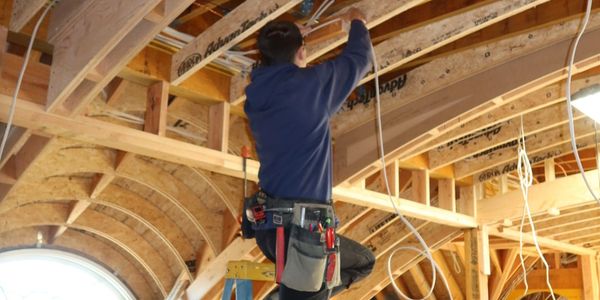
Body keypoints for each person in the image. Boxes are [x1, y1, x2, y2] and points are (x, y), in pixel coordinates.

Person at [244, 8, 375, 300]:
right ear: (301, 53)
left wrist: (291, 41)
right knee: (361, 264)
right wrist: (358, 20)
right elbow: (358, 59)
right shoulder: (309, 87)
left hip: (271, 232)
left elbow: (357, 60)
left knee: (360, 262)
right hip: (302, 237)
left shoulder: (256, 95)